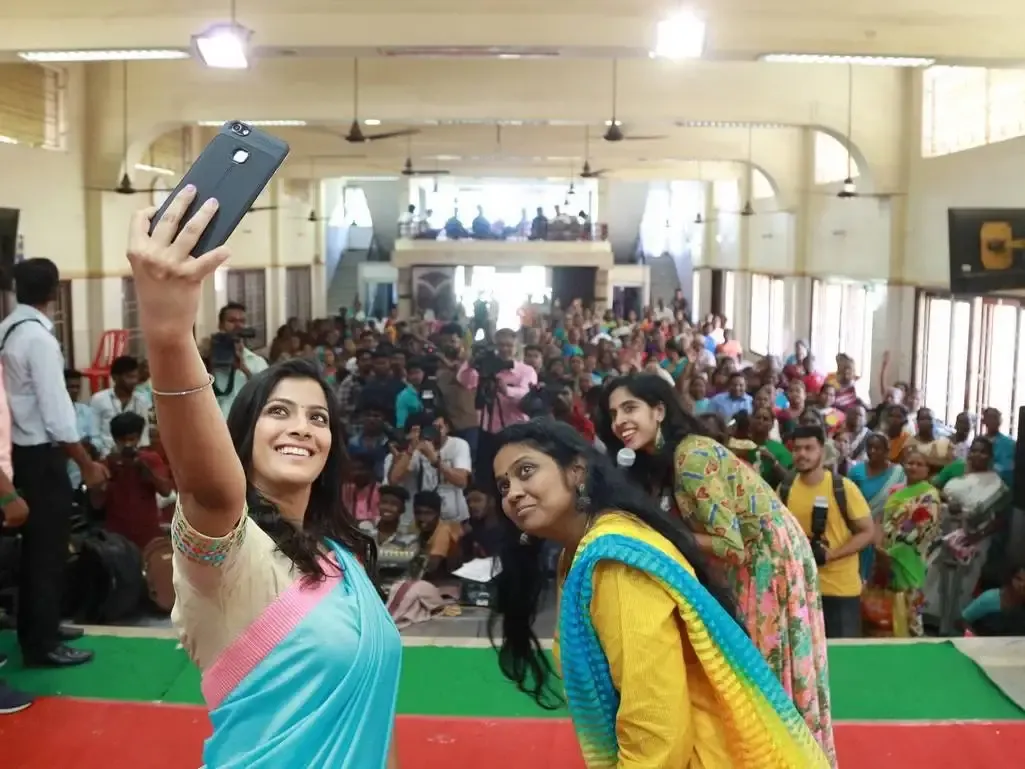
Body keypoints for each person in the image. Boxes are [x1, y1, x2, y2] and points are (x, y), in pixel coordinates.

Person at [126, 189, 400, 767]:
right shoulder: (231, 555)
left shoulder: (340, 553)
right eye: (279, 412)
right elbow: (209, 485)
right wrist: (169, 334)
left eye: (317, 417)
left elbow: (369, 714)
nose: (301, 427)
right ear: (243, 435)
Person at [489, 418, 830, 768]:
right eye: (503, 486)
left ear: (577, 471)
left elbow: (656, 731)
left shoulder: (615, 563)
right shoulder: (579, 552)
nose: (513, 492)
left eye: (526, 471)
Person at [597, 374, 836, 763]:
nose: (619, 421)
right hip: (751, 562)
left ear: (659, 410)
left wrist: (656, 534)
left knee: (763, 676)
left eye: (630, 408)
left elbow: (730, 545)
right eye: (613, 414)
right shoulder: (662, 462)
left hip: (767, 563)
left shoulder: (691, 458)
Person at [0, 257, 107, 667]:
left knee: (41, 551)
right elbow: (57, 411)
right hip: (41, 456)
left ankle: (43, 625)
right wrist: (87, 462)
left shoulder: (9, 330)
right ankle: (41, 643)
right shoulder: (39, 340)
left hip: (19, 452)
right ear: (54, 293)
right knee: (46, 552)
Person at [787, 425, 876, 639]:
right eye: (797, 449)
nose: (802, 454)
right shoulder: (785, 488)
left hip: (840, 591)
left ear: (822, 451)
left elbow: (867, 532)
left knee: (845, 661)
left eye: (809, 448)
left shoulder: (842, 488)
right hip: (801, 591)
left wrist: (830, 555)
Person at [865, 449, 942, 637]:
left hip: (908, 558)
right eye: (910, 463)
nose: (913, 467)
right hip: (884, 553)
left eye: (919, 464)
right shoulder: (897, 491)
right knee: (883, 611)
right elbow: (883, 519)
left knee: (908, 607)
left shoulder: (930, 495)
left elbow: (920, 530)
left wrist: (889, 554)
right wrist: (878, 546)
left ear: (928, 470)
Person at [847, 432, 906, 580]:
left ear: (887, 451)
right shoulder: (856, 471)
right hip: (859, 530)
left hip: (885, 533)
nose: (872, 451)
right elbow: (847, 501)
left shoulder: (899, 473)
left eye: (877, 448)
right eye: (869, 447)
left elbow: (902, 503)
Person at [205, 302, 269, 417]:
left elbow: (266, 394)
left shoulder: (257, 362)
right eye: (232, 321)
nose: (238, 325)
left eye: (242, 321)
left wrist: (244, 369)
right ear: (220, 325)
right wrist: (205, 361)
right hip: (214, 426)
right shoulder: (207, 358)